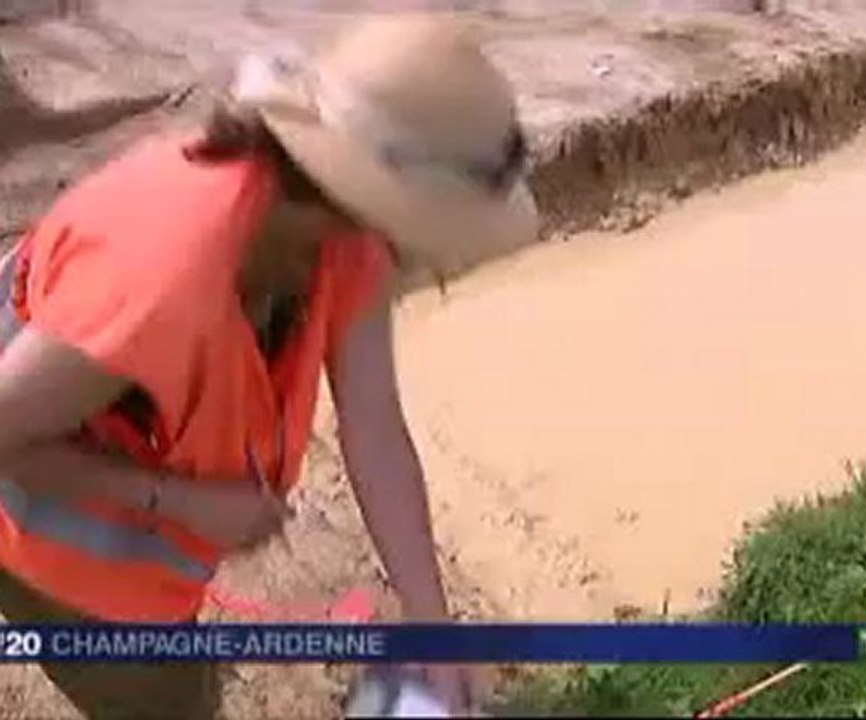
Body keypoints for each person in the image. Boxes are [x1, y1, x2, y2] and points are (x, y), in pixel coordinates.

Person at [0, 15, 537, 719]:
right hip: (44, 542)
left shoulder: (340, 239)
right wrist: (181, 503)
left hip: (130, 544)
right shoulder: (163, 276)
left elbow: (374, 428)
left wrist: (432, 626)